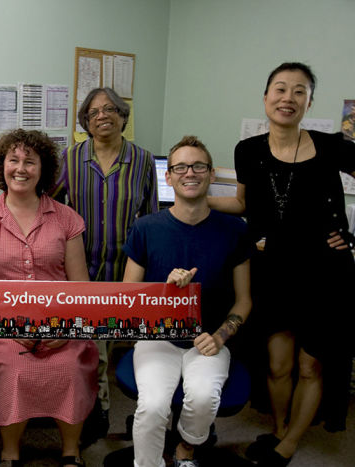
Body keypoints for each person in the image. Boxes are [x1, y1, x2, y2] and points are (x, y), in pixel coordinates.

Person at [209, 62, 355, 466]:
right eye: (280, 89)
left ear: (309, 101)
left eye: (299, 91)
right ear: (265, 97)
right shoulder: (248, 150)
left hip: (326, 272)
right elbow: (242, 203)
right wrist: (194, 200)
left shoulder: (334, 146)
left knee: (311, 365)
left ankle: (289, 443)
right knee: (277, 364)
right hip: (274, 271)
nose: (287, 98)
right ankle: (278, 428)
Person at [0, 129, 98, 467]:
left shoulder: (67, 219)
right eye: (13, 160)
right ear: (1, 166)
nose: (20, 168)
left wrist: (65, 329)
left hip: (60, 324)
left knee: (69, 366)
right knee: (15, 367)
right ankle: (11, 451)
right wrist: (8, 328)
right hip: (0, 328)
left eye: (30, 161)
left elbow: (80, 287)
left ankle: (71, 451)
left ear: (44, 169)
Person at [123, 136, 252, 467]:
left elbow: (244, 301)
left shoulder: (234, 230)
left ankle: (186, 448)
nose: (189, 173)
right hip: (157, 338)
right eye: (180, 167)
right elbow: (128, 299)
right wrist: (165, 292)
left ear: (210, 174)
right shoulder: (146, 228)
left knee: (204, 399)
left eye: (198, 166)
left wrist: (221, 336)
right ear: (168, 177)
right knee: (152, 407)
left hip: (208, 338)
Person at [50, 87, 158, 438]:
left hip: (125, 268)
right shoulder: (71, 158)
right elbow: (48, 204)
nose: (103, 116)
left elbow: (151, 216)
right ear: (85, 121)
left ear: (123, 117)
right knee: (94, 350)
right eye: (94, 112)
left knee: (103, 347)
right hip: (82, 267)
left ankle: (95, 409)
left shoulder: (142, 160)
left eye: (111, 109)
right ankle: (99, 412)